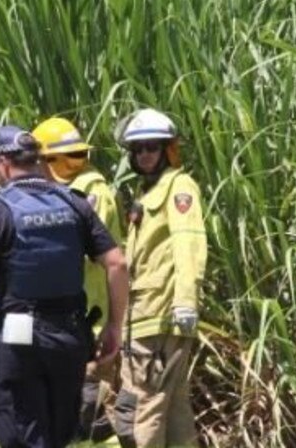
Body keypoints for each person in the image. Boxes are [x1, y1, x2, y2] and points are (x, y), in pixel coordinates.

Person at [0, 125, 128, 448]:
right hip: (70, 338)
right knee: (59, 437)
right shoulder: (75, 205)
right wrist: (114, 326)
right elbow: (117, 264)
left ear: (2, 163)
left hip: (19, 343)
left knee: (21, 435)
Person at [111, 108, 207, 448]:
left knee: (141, 409)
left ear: (167, 148)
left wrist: (185, 301)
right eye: (137, 150)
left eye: (151, 147)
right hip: (148, 316)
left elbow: (188, 242)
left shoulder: (178, 187)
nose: (144, 155)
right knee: (175, 410)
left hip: (161, 317)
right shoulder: (147, 190)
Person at [32, 116, 125, 444]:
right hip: (72, 321)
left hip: (87, 320)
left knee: (85, 414)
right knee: (83, 416)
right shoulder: (74, 189)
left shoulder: (88, 193)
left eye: (39, 160)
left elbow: (83, 254)